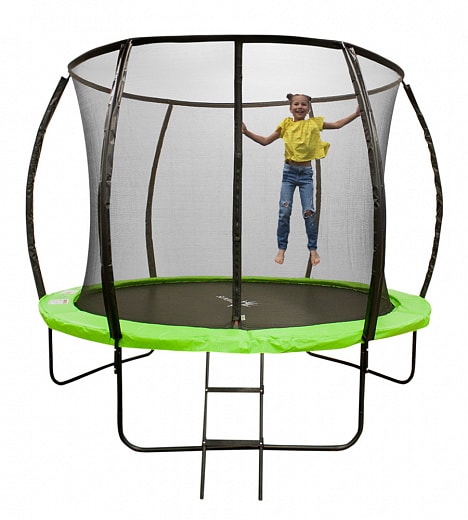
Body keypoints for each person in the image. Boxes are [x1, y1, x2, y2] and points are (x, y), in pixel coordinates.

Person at [242, 93, 361, 266]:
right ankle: (281, 248)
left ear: (308, 108)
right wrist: (246, 132)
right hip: (289, 174)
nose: (299, 107)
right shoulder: (286, 125)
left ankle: (313, 249)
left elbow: (337, 124)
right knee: (284, 211)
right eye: (296, 104)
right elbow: (265, 141)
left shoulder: (314, 123)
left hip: (306, 174)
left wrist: (356, 114)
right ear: (290, 108)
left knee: (309, 212)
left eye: (303, 104)